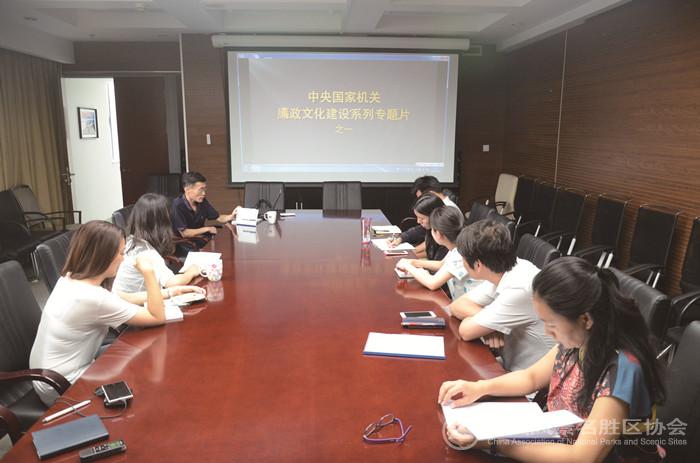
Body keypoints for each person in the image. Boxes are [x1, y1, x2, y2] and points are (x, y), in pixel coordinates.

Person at [438, 257, 666, 462]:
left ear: (585, 319)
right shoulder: (580, 339)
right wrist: (478, 388)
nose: (547, 332)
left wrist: (493, 443)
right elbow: (531, 377)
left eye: (551, 324)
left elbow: (582, 457)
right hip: (556, 440)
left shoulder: (622, 369)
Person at [29, 221, 204, 406]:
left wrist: (169, 292)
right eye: (120, 253)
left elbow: (120, 298)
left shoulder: (70, 278)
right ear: (103, 256)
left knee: (141, 357)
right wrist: (148, 273)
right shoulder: (92, 297)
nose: (123, 259)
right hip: (61, 385)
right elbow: (156, 317)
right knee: (150, 381)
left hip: (48, 374)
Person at [448, 220, 554, 372]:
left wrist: (486, 324)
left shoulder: (520, 288)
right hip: (508, 364)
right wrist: (492, 327)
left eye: (463, 258)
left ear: (478, 265)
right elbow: (457, 305)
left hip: (527, 379)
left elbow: (466, 331)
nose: (462, 262)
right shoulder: (506, 268)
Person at [113, 193, 201, 294]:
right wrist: (191, 272)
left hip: (125, 299)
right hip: (137, 302)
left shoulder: (130, 241)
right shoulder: (147, 253)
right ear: (162, 223)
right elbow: (172, 283)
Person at [395, 205, 471, 299]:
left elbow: (432, 283)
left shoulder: (460, 254)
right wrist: (413, 262)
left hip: (467, 305)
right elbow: (441, 264)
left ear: (438, 233)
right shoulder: (458, 246)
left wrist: (408, 266)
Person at [391, 176, 460, 255]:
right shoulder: (438, 208)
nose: (420, 201)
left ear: (430, 194)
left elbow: (435, 248)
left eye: (422, 197)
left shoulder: (446, 212)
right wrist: (401, 238)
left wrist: (411, 253)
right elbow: (422, 231)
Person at [171, 171, 240, 239]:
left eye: (204, 189)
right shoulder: (177, 205)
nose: (204, 193)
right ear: (187, 190)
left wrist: (231, 216)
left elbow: (219, 217)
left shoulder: (202, 201)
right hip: (183, 242)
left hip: (199, 238)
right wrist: (207, 229)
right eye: (200, 190)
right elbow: (184, 233)